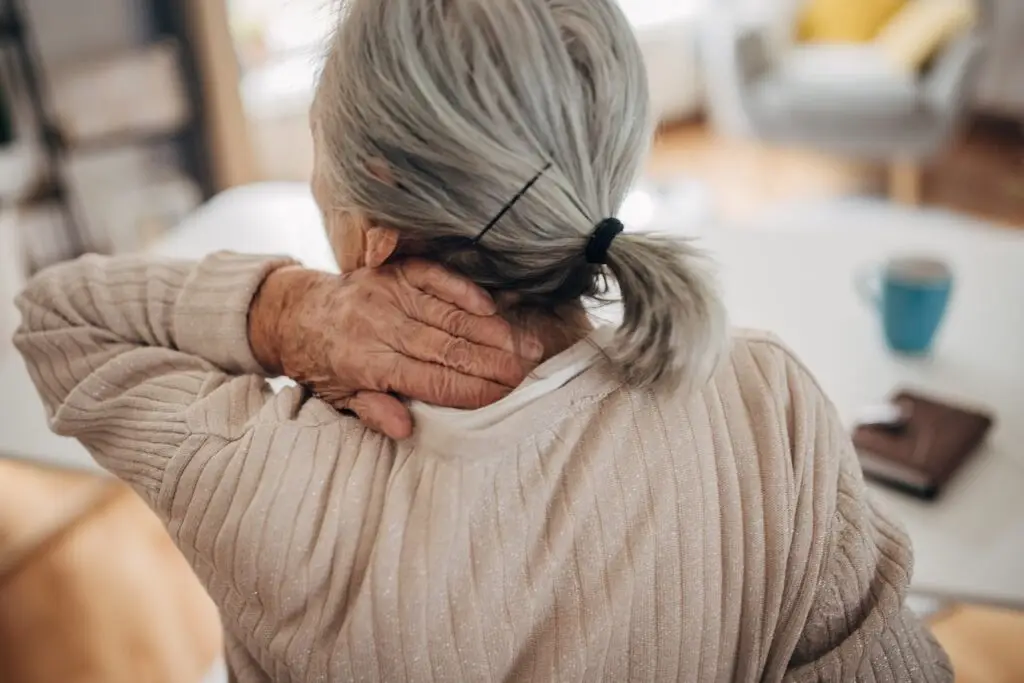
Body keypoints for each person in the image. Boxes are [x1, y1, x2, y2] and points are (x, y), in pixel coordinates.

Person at [14, 0, 951, 680]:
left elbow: (56, 318)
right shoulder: (764, 405)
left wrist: (285, 311)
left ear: (371, 218)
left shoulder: (267, 479)